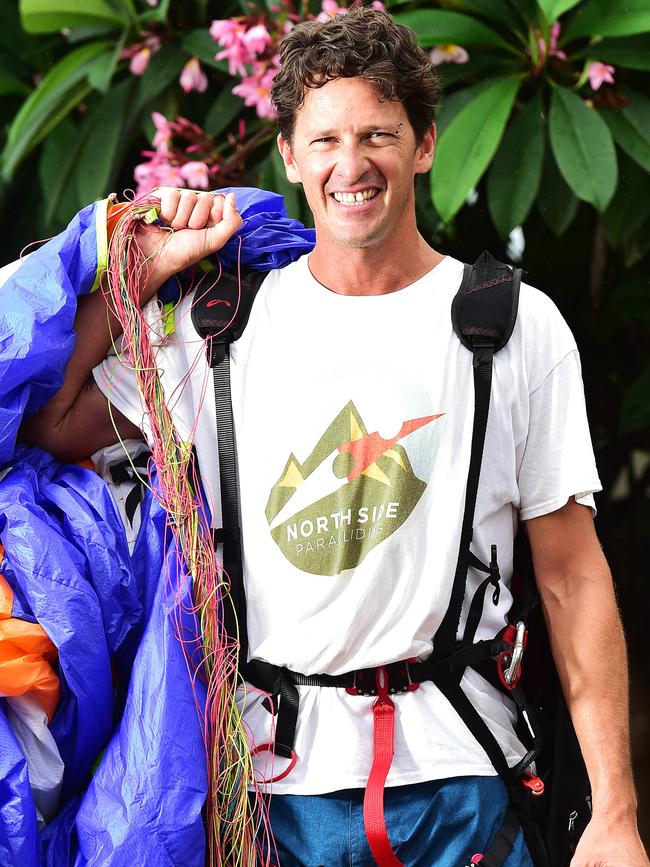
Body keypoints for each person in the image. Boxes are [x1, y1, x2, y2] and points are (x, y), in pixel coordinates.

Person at [20, 7, 649, 867]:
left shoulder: (510, 327)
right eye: (324, 140)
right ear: (288, 154)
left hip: (466, 780)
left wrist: (614, 810)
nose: (350, 166)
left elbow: (574, 576)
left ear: (425, 144)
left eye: (379, 134)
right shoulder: (218, 332)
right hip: (279, 800)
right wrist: (142, 266)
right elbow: (51, 422)